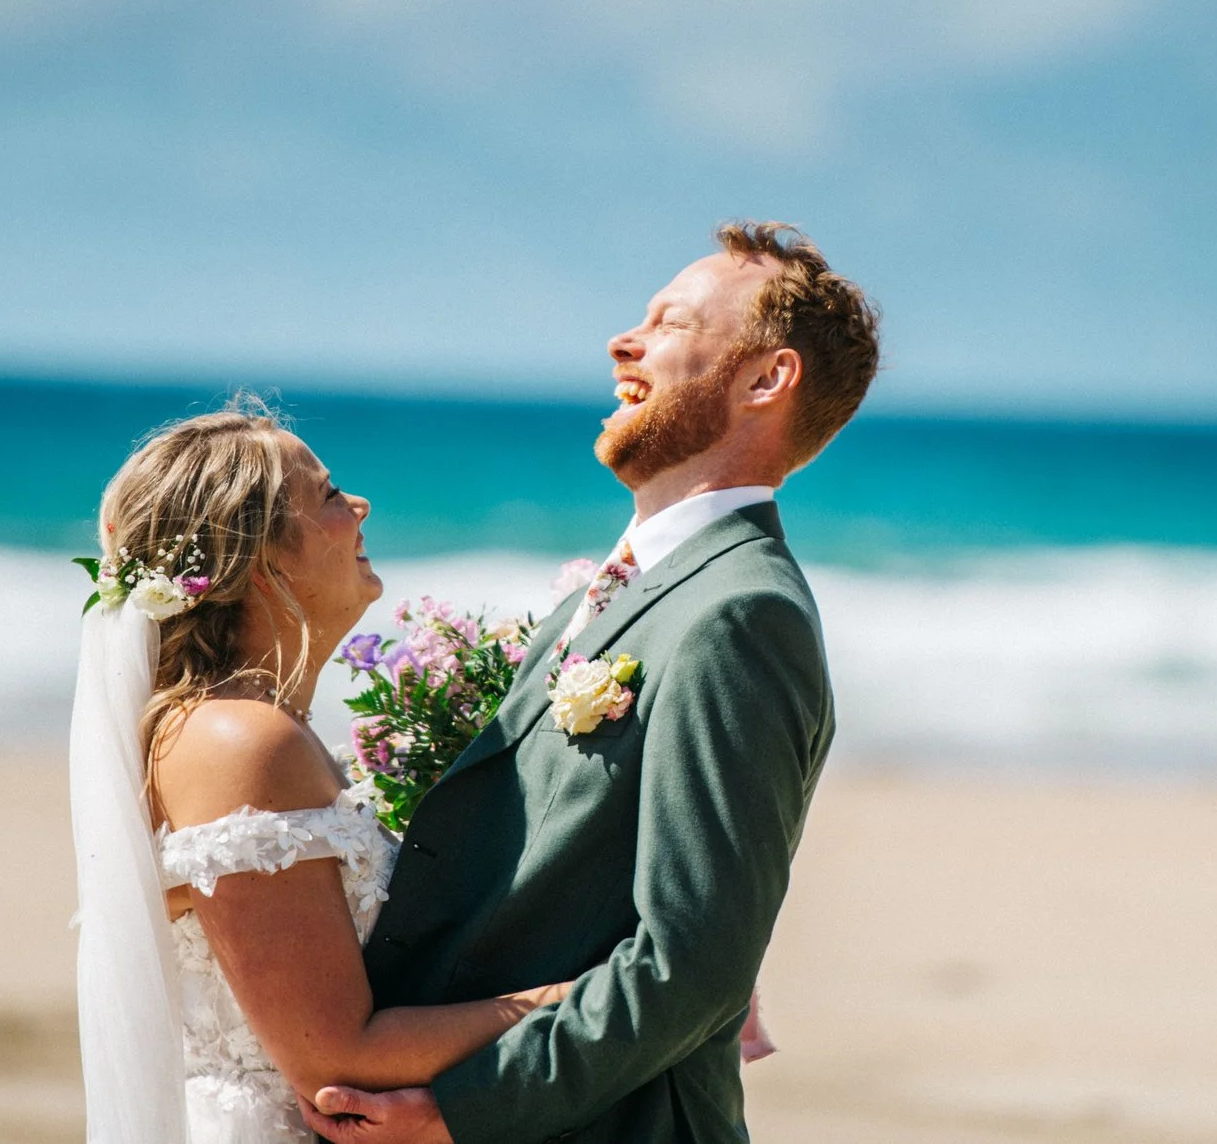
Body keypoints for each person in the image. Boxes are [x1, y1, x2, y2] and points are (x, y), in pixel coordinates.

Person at [304, 220, 881, 1144]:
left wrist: (461, 1110)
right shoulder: (635, 586)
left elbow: (694, 962)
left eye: (669, 322)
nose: (623, 340)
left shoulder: (739, 613)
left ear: (766, 379)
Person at [68, 407, 575, 1144]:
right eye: (331, 494)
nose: (360, 506)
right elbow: (336, 1057)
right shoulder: (240, 740)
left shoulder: (264, 729)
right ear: (263, 560)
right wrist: (592, 998)